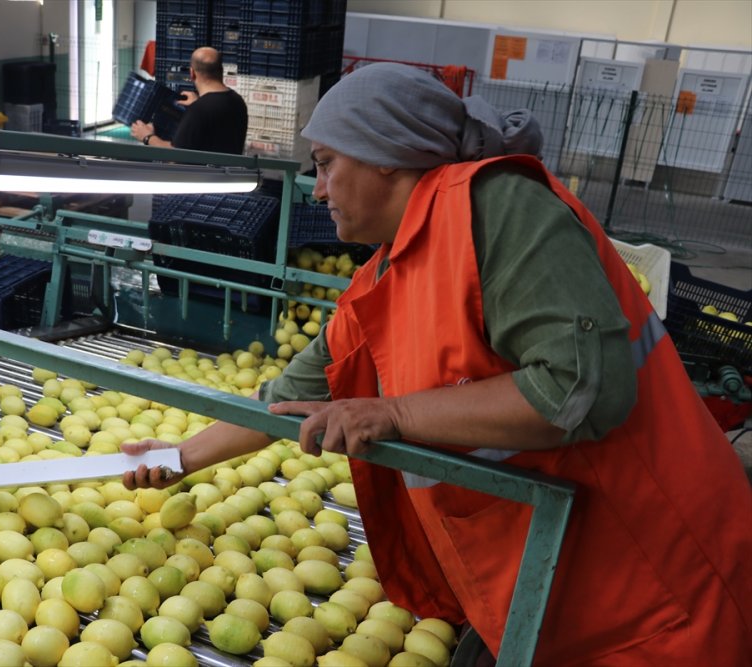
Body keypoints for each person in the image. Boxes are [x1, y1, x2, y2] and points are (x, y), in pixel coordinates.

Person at [123, 63, 751, 665]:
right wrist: (175, 460)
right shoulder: (381, 280)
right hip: (557, 580)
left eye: (325, 165)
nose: (317, 189)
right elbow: (281, 402)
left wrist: (392, 413)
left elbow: (582, 386)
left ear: (386, 154)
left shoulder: (498, 207)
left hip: (657, 574)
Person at [130, 47, 247, 154]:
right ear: (221, 70)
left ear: (192, 73)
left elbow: (176, 157)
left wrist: (147, 137)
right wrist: (198, 102)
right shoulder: (237, 101)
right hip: (229, 174)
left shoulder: (199, 110)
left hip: (202, 176)